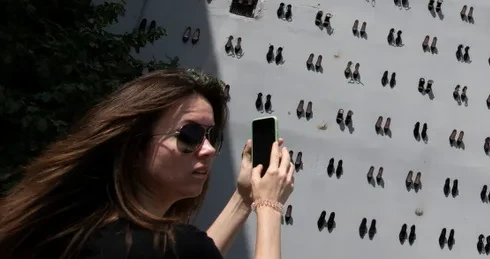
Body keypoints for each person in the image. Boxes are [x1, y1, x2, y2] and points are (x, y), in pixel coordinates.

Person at [0, 68, 295, 258]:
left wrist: (244, 198)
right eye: (190, 135)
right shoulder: (172, 246)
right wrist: (269, 206)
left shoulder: (74, 228)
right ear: (136, 145)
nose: (207, 150)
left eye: (211, 136)